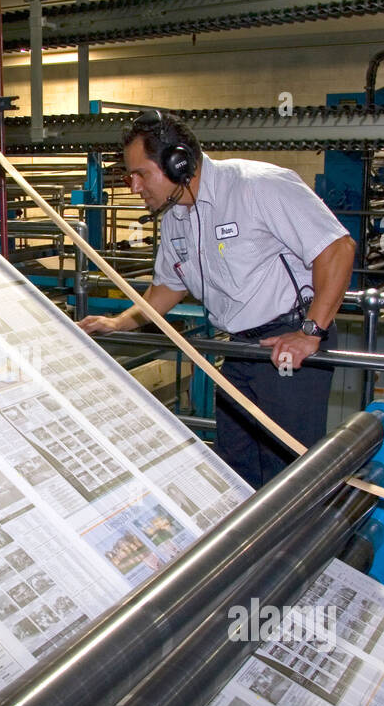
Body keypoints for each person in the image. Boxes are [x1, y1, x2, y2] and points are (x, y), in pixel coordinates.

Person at [77, 110, 355, 488]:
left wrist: (310, 332)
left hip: (288, 342)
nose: (133, 187)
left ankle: (294, 546)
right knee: (236, 462)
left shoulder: (258, 187)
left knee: (288, 471)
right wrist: (120, 322)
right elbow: (168, 286)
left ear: (177, 163)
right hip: (242, 348)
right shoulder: (176, 214)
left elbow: (337, 248)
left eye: (140, 174)